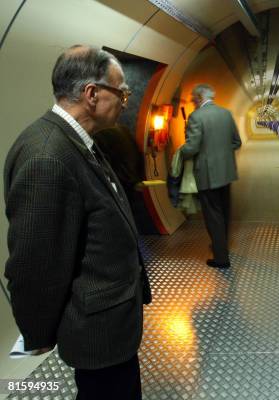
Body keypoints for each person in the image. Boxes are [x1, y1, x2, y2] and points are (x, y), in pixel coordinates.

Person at [3, 45, 151, 400]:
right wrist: (37, 335)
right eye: (121, 92)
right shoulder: (46, 157)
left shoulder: (76, 142)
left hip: (111, 325)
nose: (126, 102)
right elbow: (35, 263)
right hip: (96, 333)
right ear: (91, 94)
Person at [179, 84, 242, 269]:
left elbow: (192, 147)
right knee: (223, 212)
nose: (192, 103)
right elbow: (236, 142)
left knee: (213, 215)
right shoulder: (226, 114)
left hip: (208, 174)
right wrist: (220, 154)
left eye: (192, 99)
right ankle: (221, 246)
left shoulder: (196, 117)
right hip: (226, 172)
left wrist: (180, 152)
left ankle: (221, 259)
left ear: (199, 98)